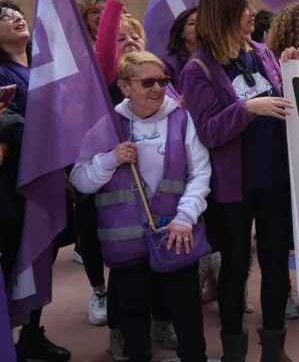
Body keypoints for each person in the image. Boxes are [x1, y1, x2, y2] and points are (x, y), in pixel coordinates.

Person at [179, 0, 295, 362]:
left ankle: (274, 349)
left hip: (275, 178)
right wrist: (247, 109)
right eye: (244, 6)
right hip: (234, 188)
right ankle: (233, 349)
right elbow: (209, 131)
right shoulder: (197, 70)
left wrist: (292, 69)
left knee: (277, 264)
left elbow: (284, 104)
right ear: (225, 14)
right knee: (235, 267)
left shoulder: (262, 53)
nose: (251, 12)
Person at [71, 51, 211, 362]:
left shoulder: (181, 118)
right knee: (133, 313)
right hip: (125, 243)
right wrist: (111, 159)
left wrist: (185, 217)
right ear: (124, 86)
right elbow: (80, 180)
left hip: (175, 235)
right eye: (147, 82)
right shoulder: (107, 126)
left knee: (186, 311)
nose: (158, 88)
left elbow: (200, 173)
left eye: (163, 80)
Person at [0, 2, 71, 362]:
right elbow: (6, 121)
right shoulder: (1, 74)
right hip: (17, 185)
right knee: (18, 260)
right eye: (2, 16)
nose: (14, 17)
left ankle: (31, 333)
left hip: (51, 179)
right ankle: (8, 337)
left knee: (43, 257)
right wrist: (37, 128)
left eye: (15, 12)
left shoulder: (45, 66)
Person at [165, 9, 199, 86]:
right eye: (192, 23)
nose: (199, 26)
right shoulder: (170, 65)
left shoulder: (219, 59)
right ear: (181, 33)